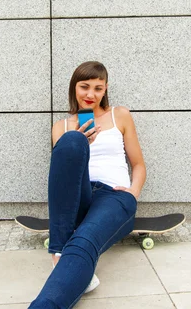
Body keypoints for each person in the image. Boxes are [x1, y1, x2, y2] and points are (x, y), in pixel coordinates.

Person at [29, 61, 146, 309]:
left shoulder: (120, 115)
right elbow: (62, 174)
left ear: (105, 90)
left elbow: (138, 165)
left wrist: (132, 194)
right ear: (74, 88)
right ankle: (62, 251)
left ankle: (60, 255)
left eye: (98, 88)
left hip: (114, 196)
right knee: (72, 141)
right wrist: (83, 145)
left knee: (84, 240)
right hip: (79, 195)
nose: (91, 94)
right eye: (84, 87)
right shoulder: (60, 126)